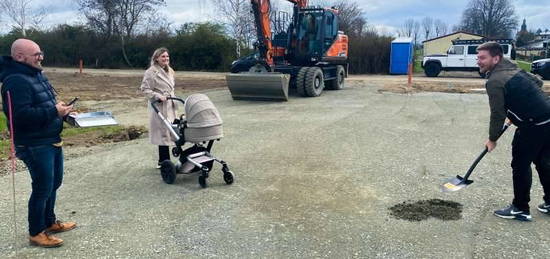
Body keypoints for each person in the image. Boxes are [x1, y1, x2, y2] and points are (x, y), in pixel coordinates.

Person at [0, 39, 77, 247]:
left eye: (40, 53)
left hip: (51, 138)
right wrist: (54, 111)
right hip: (34, 144)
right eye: (36, 54)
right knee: (43, 188)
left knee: (54, 183)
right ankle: (36, 232)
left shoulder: (36, 74)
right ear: (19, 57)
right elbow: (20, 116)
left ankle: (50, 222)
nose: (41, 57)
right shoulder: (15, 80)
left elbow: (46, 103)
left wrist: (63, 111)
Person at [477, 41, 550, 221]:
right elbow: (537, 83)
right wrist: (521, 106)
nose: (478, 61)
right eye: (478, 57)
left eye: (483, 58)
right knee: (543, 162)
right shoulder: (513, 68)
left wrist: (492, 138)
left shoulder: (494, 81)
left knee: (520, 165)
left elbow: (497, 113)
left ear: (496, 58)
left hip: (533, 125)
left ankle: (520, 208)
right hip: (547, 118)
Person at [140, 47, 178, 168]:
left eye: (167, 56)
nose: (166, 59)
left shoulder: (170, 70)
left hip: (170, 104)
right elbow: (145, 89)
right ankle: (163, 161)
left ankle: (166, 160)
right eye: (163, 57)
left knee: (171, 131)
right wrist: (158, 96)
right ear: (156, 58)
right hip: (159, 106)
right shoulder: (151, 72)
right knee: (163, 133)